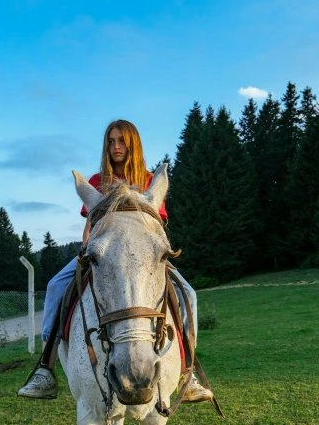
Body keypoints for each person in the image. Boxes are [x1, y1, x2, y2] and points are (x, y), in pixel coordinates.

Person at [17, 120, 211, 403]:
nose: (115, 146)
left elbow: (157, 227)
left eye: (121, 141)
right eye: (110, 141)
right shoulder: (97, 183)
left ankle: (187, 372)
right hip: (102, 251)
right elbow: (90, 225)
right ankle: (45, 368)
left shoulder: (148, 181)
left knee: (188, 295)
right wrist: (87, 249)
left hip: (144, 256)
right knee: (56, 286)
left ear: (133, 145)